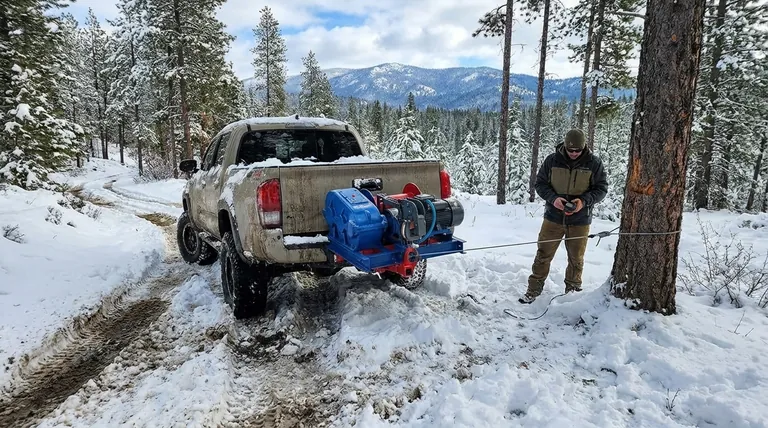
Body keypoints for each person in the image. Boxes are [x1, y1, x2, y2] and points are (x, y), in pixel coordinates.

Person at [519, 129, 608, 304]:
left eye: (578, 151)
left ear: (584, 148)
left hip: (580, 220)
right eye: (570, 150)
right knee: (543, 254)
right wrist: (554, 199)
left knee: (576, 258)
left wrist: (583, 202)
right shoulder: (552, 161)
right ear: (564, 147)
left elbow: (601, 189)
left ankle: (572, 294)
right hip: (553, 217)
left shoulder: (594, 163)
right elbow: (540, 184)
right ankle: (533, 290)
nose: (574, 154)